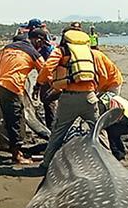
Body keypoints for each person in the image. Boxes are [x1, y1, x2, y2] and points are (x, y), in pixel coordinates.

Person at [38, 27, 100, 165]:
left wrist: (41, 82)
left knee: (58, 132)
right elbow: (103, 71)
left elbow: (47, 68)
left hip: (69, 98)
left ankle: (47, 162)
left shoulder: (61, 51)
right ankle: (108, 160)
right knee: (98, 130)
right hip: (90, 97)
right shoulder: (91, 53)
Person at [97, 92, 128, 160]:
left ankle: (118, 155)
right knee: (114, 129)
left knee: (110, 131)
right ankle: (120, 150)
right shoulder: (108, 95)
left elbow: (102, 120)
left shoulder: (101, 102)